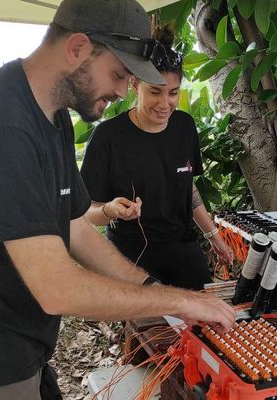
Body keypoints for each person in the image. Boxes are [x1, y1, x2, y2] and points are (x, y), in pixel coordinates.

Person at [0, 0, 235, 399]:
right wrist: (178, 300)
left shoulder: (51, 115)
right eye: (117, 73)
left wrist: (148, 285)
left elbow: (75, 226)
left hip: (26, 346)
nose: (120, 89)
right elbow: (57, 287)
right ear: (77, 47)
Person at [80, 26, 234, 291]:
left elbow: (187, 186)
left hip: (181, 246)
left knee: (202, 321)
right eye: (155, 91)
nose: (165, 104)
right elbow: (86, 212)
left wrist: (213, 236)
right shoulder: (107, 137)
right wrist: (110, 210)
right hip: (131, 254)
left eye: (173, 93)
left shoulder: (184, 126)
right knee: (151, 328)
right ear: (135, 85)